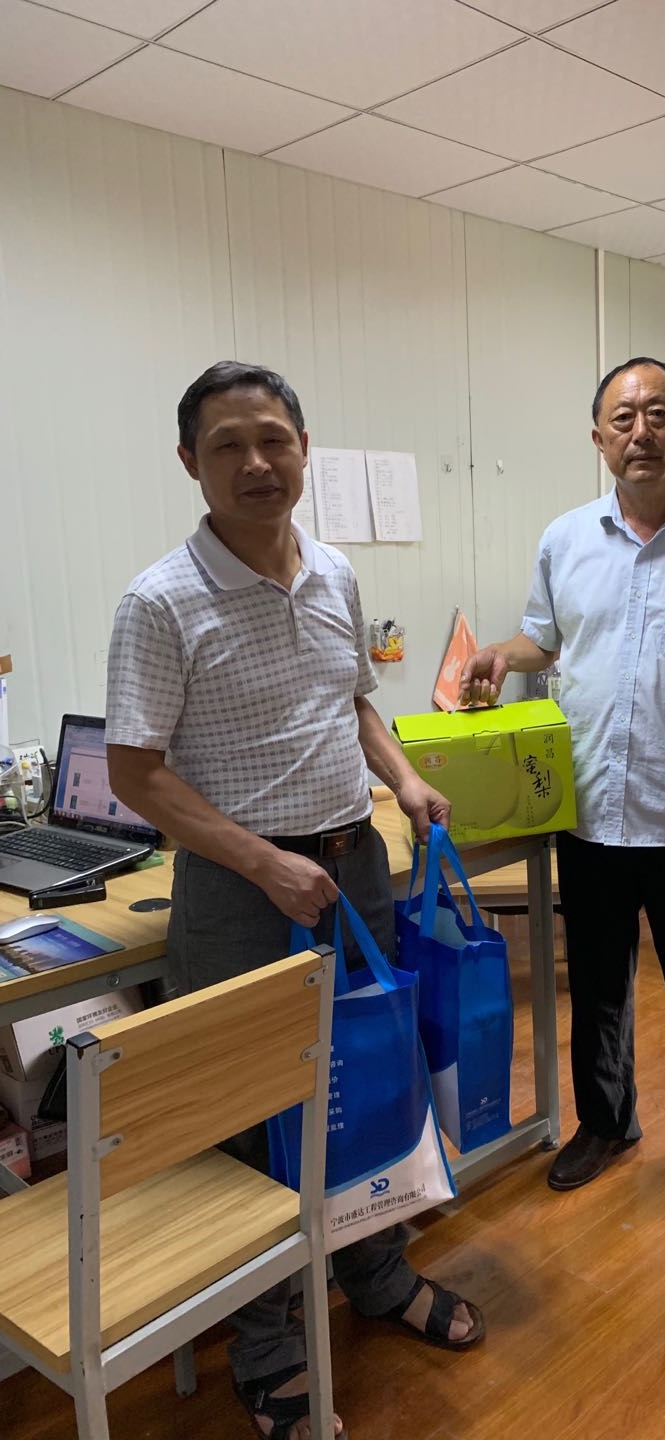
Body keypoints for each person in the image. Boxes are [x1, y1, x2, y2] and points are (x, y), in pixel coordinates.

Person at [106, 361, 483, 1440]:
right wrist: (264, 863)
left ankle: (377, 1275)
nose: (256, 463)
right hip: (240, 894)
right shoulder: (159, 601)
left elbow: (354, 700)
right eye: (228, 445)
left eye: (273, 439)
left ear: (304, 450)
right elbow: (136, 774)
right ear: (192, 462)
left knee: (371, 1077)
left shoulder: (335, 573)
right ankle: (268, 1349)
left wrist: (402, 779)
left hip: (354, 870)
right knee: (256, 1114)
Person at [460, 357, 665, 1196]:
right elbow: (545, 639)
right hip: (589, 807)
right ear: (598, 438)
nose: (641, 432)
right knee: (597, 984)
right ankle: (606, 1122)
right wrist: (500, 655)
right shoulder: (565, 538)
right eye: (623, 418)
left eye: (659, 415)